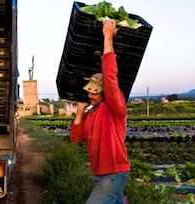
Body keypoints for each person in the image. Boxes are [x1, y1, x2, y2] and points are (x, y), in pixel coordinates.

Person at [69, 19, 130, 204]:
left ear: (105, 93)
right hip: (99, 174)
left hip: (113, 174)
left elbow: (110, 77)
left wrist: (108, 36)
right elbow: (75, 138)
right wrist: (80, 110)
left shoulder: (114, 107)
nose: (91, 95)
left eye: (95, 92)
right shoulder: (91, 114)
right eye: (89, 92)